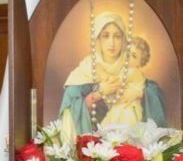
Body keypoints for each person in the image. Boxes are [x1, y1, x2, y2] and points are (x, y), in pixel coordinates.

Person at [59, 14, 167, 142]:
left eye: (117, 36)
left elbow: (156, 95)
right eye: (105, 36)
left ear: (124, 40)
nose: (112, 43)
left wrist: (139, 93)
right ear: (97, 39)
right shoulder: (84, 71)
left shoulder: (132, 67)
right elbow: (68, 114)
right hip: (93, 150)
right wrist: (99, 93)